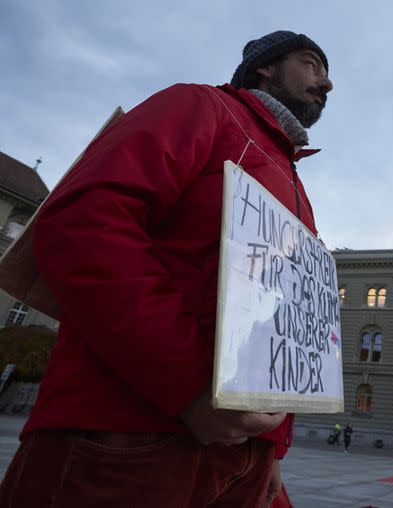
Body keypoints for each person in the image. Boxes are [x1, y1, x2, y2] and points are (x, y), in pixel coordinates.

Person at [0, 30, 333, 508]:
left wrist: (271, 446)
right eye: (312, 64)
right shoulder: (201, 107)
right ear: (265, 66)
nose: (327, 83)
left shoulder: (289, 175)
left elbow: (283, 322)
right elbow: (83, 222)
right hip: (126, 439)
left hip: (242, 458)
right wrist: (189, 386)